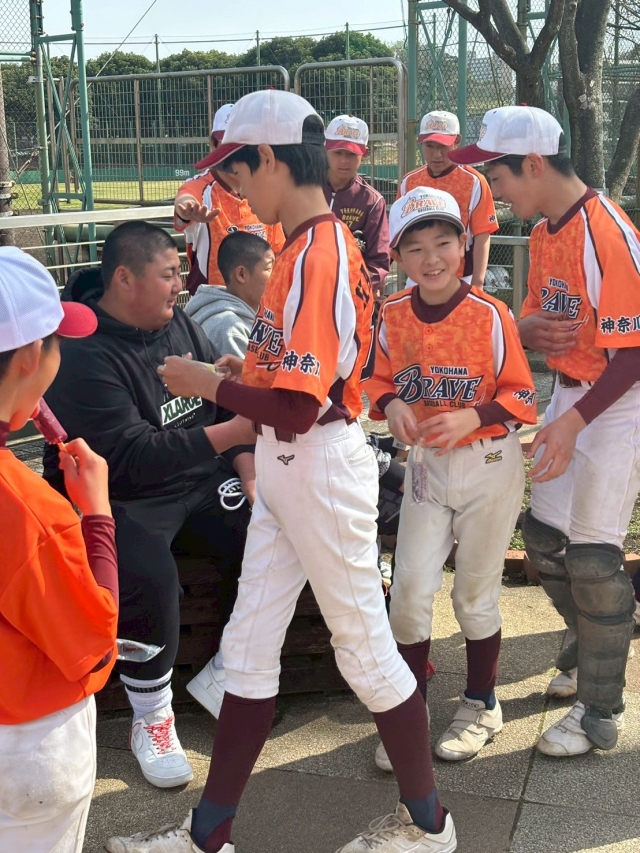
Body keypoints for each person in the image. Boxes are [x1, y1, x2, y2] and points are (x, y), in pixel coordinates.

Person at [106, 89, 457, 853]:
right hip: (290, 461)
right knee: (249, 649)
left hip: (320, 463)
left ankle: (429, 826)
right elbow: (295, 379)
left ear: (268, 156)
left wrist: (206, 383)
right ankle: (208, 835)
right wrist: (245, 372)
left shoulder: (318, 250)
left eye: (236, 169)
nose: (231, 186)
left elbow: (301, 408)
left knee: (365, 651)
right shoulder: (299, 243)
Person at [449, 104, 640, 757]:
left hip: (619, 403)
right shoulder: (542, 231)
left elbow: (634, 353)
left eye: (497, 175)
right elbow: (535, 323)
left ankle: (600, 712)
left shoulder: (606, 231)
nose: (493, 190)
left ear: (533, 164)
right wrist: (522, 331)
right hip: (572, 393)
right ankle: (591, 646)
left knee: (593, 556)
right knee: (544, 538)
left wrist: (574, 424)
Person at [43, 221, 256, 789]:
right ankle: (152, 716)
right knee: (150, 573)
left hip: (199, 478)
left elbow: (218, 399)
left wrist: (247, 467)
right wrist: (236, 436)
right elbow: (131, 456)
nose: (180, 286)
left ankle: (227, 669)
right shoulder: (83, 353)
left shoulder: (177, 321)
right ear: (124, 278)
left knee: (273, 529)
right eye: (168, 275)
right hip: (122, 494)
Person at [366, 186, 536, 770]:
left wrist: (475, 415)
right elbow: (374, 379)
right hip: (427, 468)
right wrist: (391, 403)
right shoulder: (392, 313)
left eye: (442, 241)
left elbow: (523, 395)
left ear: (464, 244)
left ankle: (482, 703)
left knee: (474, 594)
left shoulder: (490, 314)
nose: (431, 258)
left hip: (488, 463)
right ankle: (408, 709)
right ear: (397, 256)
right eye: (415, 248)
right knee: (410, 590)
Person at [0, 247, 118, 852]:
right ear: (29, 356)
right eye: (56, 344)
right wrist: (96, 514)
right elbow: (93, 643)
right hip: (25, 744)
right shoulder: (26, 507)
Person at [174, 103, 285, 295]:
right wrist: (186, 210)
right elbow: (185, 200)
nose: (233, 154)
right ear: (213, 145)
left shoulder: (266, 191)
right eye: (226, 145)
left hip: (260, 304)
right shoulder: (202, 188)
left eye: (241, 146)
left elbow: (277, 251)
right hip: (212, 304)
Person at [399, 111, 498, 289]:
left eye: (443, 146)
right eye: (430, 146)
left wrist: (477, 283)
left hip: (462, 278)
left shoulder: (474, 181)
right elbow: (399, 232)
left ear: (457, 141)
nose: (436, 154)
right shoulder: (409, 182)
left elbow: (482, 234)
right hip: (419, 278)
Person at [324, 114, 390, 301]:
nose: (344, 160)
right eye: (338, 152)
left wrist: (352, 292)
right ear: (325, 149)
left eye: (351, 154)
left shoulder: (372, 201)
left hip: (350, 297)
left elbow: (379, 262)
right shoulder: (305, 188)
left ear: (365, 153)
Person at [185, 231, 274, 360]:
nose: (277, 274)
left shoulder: (254, 314)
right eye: (269, 268)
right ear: (241, 275)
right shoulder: (229, 329)